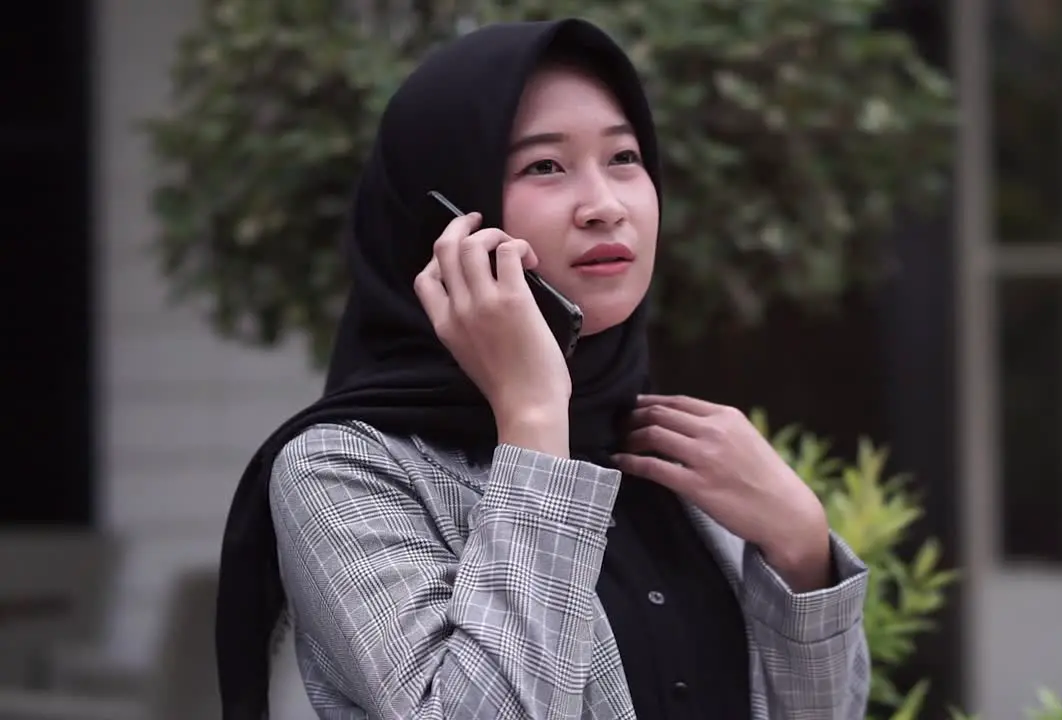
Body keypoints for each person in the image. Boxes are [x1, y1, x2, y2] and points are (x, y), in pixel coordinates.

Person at [216, 18, 871, 720]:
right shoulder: (343, 469)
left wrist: (802, 551)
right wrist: (531, 417)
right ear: (449, 218)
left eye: (624, 158)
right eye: (544, 166)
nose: (605, 206)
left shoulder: (675, 448)